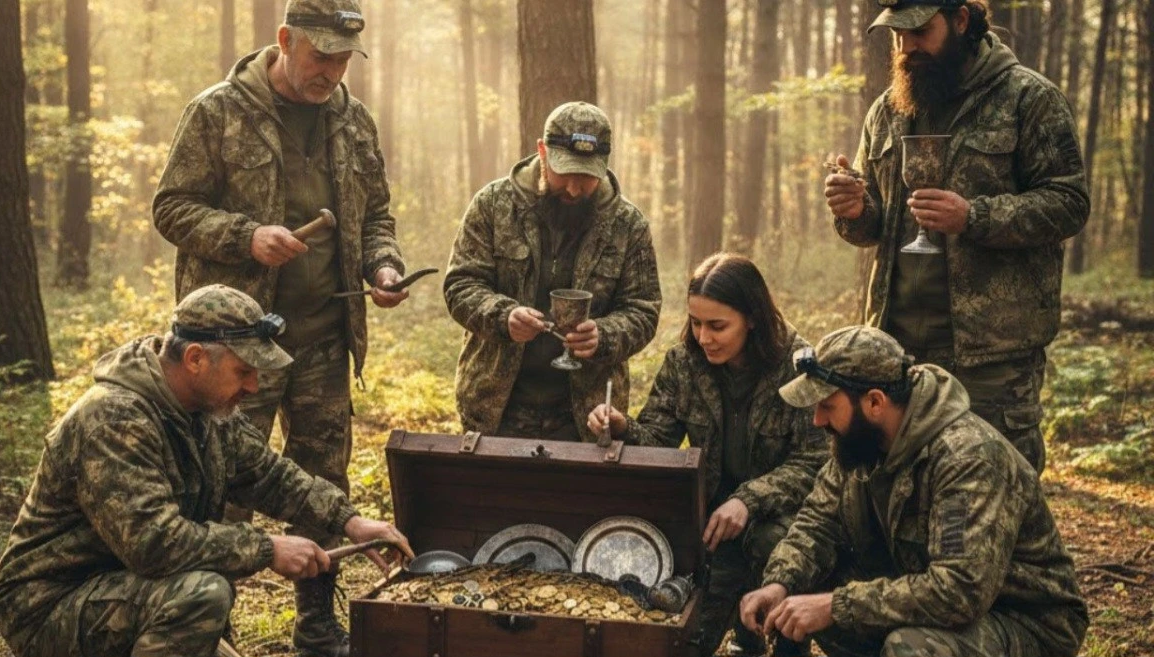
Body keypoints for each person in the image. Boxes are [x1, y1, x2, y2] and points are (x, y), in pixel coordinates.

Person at [152, 0, 408, 646]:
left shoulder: (353, 122)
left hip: (323, 338)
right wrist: (247, 237)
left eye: (343, 57)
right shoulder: (218, 112)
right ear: (284, 39)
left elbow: (376, 212)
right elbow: (171, 208)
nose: (331, 71)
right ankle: (211, 619)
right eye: (320, 55)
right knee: (222, 482)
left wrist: (383, 266)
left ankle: (319, 621)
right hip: (236, 347)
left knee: (323, 480)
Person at [0, 285, 414, 657]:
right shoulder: (114, 420)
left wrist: (350, 521)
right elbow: (155, 544)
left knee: (201, 595)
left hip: (126, 589)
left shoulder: (209, 411)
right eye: (243, 372)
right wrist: (268, 549)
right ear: (195, 358)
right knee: (203, 594)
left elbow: (269, 475)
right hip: (50, 605)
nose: (252, 387)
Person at [823, 0, 1090, 473]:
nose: (906, 47)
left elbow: (1069, 203)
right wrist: (855, 209)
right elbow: (876, 226)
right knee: (898, 490)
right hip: (897, 347)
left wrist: (975, 216)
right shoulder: (887, 110)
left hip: (991, 356)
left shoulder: (1027, 98)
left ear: (961, 20)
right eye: (897, 36)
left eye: (920, 32)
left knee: (995, 487)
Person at [739, 326, 1087, 657]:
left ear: (875, 402)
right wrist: (779, 584)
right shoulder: (861, 440)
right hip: (922, 591)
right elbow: (817, 522)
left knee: (912, 648)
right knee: (786, 555)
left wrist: (836, 606)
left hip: (1022, 621)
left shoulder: (967, 459)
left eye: (827, 406)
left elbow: (959, 591)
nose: (817, 420)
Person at [588, 254, 825, 657]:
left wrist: (748, 500)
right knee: (691, 644)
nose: (703, 337)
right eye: (696, 323)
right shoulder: (684, 363)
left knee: (773, 543)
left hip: (780, 519)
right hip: (708, 522)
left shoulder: (798, 365)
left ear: (752, 318)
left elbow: (816, 461)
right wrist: (624, 428)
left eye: (717, 326)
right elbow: (659, 444)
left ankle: (782, 642)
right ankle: (738, 629)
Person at [444, 101, 661, 441]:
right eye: (565, 173)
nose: (574, 188)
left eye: (586, 177)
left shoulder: (627, 225)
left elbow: (644, 309)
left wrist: (604, 336)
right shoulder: (493, 205)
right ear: (542, 152)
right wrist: (504, 316)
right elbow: (460, 285)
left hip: (585, 415)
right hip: (497, 405)